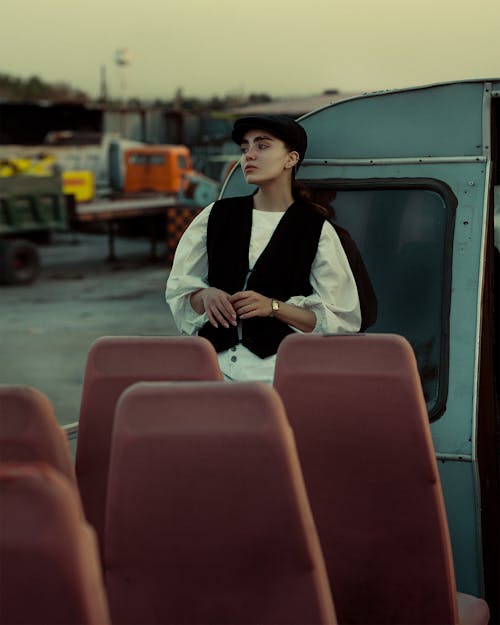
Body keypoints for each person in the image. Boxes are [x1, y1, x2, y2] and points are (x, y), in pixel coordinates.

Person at [165, 114, 361, 383]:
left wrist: (273, 307)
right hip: (211, 371)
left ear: (291, 159)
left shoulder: (315, 228)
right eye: (245, 148)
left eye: (262, 146)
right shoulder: (215, 215)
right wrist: (206, 295)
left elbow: (341, 319)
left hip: (276, 376)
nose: (249, 156)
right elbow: (181, 292)